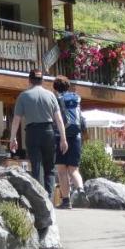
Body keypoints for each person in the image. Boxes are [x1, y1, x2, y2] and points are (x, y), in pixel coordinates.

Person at [8, 69, 68, 199]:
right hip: (48, 131)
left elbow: (16, 120)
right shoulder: (51, 96)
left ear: (29, 80)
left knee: (36, 166)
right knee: (50, 168)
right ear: (43, 81)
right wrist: (63, 139)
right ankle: (49, 198)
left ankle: (38, 199)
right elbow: (59, 119)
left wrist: (13, 139)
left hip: (32, 132)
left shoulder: (23, 96)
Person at [52, 76, 87, 208]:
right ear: (68, 86)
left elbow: (57, 119)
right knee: (74, 170)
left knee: (62, 171)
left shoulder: (56, 99)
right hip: (76, 136)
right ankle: (81, 190)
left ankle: (66, 201)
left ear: (55, 87)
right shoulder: (76, 98)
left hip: (61, 136)